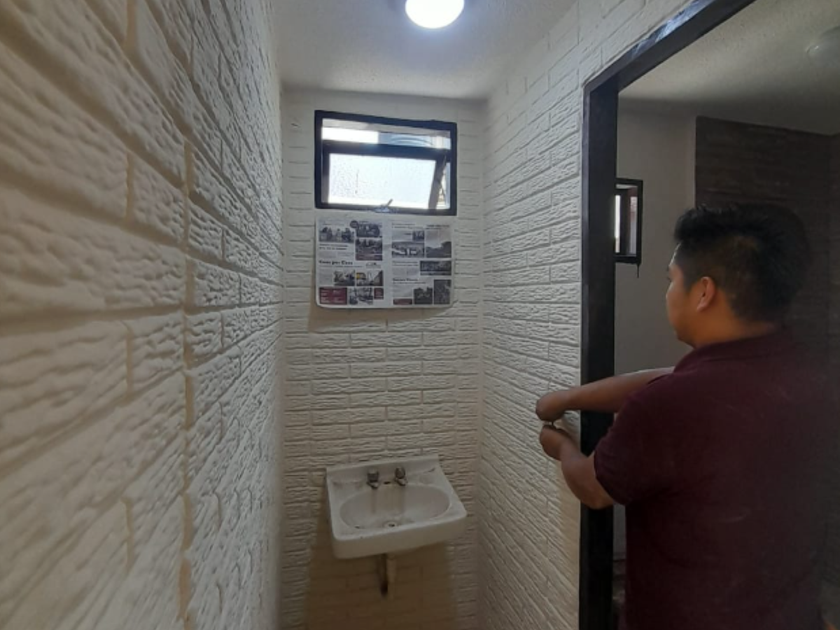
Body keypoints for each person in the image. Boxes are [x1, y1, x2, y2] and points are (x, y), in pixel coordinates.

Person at [536, 204, 836, 630]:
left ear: (703, 292)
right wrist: (569, 397)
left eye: (671, 280)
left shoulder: (669, 406)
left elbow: (593, 487)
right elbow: (671, 378)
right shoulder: (814, 378)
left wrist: (560, 444)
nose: (667, 294)